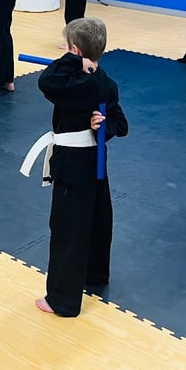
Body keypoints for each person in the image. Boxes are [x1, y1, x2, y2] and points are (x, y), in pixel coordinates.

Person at [32, 17, 129, 317]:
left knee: (67, 228)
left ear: (74, 50)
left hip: (72, 164)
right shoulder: (105, 83)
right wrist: (103, 127)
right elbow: (121, 123)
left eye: (68, 49)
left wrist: (74, 61)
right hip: (95, 162)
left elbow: (46, 80)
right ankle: (95, 274)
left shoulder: (72, 83)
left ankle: (62, 300)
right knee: (98, 218)